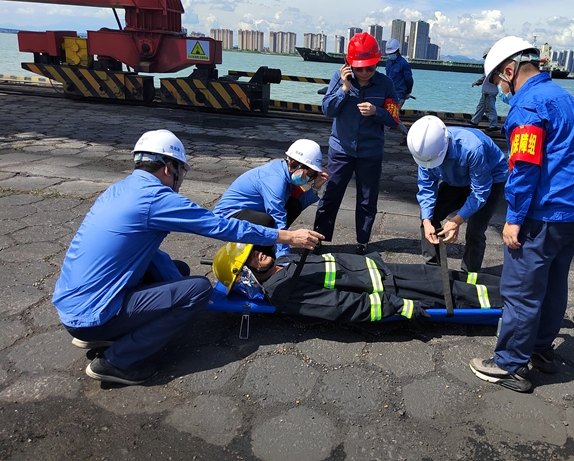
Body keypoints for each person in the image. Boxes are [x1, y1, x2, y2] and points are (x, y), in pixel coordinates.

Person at [53, 129, 323, 386]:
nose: (181, 179)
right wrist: (287, 238)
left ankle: (106, 333)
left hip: (74, 305)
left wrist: (178, 286)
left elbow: (149, 254)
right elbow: (221, 226)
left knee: (178, 270)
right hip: (94, 314)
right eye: (182, 171)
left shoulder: (119, 190)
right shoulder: (156, 199)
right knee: (198, 289)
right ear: (169, 168)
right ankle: (116, 361)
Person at [468, 36, 574, 393]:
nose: (499, 89)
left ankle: (509, 364)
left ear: (509, 72)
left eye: (498, 81)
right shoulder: (564, 98)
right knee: (553, 283)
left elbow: (523, 168)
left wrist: (514, 218)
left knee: (521, 289)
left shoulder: (528, 107)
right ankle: (540, 349)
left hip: (544, 213)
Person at [213, 244, 503, 323]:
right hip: (389, 290)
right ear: (246, 276)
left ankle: (511, 286)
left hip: (383, 270)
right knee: (456, 294)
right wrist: (398, 306)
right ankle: (514, 304)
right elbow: (340, 306)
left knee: (449, 276)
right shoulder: (281, 292)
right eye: (249, 259)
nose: (258, 254)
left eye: (253, 250)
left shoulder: (284, 259)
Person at [314, 32, 400, 256]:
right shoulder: (339, 77)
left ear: (377, 63)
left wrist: (376, 111)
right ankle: (319, 237)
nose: (364, 73)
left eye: (369, 68)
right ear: (349, 64)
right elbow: (327, 109)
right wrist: (343, 89)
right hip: (341, 149)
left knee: (367, 199)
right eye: (359, 68)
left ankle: (363, 240)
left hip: (370, 151)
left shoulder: (385, 84)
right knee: (331, 195)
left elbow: (394, 119)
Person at [406, 115, 508, 273]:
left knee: (475, 230)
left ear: (446, 145)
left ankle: (470, 274)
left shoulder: (472, 148)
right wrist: (426, 221)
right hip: (456, 178)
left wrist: (457, 220)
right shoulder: (425, 152)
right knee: (429, 217)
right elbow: (426, 186)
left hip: (490, 179)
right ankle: (433, 270)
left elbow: (480, 191)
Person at [213, 139, 328, 258]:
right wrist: (283, 258)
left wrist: (316, 187)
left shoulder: (285, 173)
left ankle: (265, 248)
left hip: (247, 214)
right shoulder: (275, 179)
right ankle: (252, 255)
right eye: (307, 172)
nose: (307, 177)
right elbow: (278, 217)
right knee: (266, 220)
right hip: (226, 219)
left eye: (311, 174)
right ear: (294, 162)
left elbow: (296, 206)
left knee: (294, 205)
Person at [384, 38, 414, 110]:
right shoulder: (388, 62)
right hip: (389, 94)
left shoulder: (404, 64)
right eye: (389, 54)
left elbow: (409, 79)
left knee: (393, 114)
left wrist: (408, 92)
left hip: (399, 95)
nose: (390, 55)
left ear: (397, 51)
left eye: (392, 53)